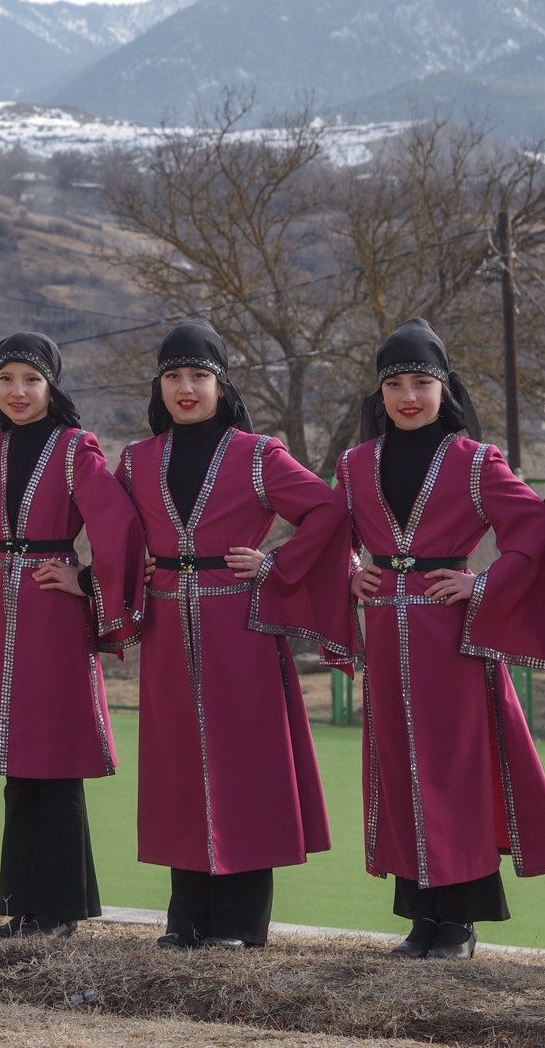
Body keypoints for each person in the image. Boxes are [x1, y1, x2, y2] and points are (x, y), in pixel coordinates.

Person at [336, 320, 545, 960]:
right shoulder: (355, 463)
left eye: (422, 382)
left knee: (458, 775)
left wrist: (481, 584)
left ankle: (461, 924)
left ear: (445, 388)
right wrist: (349, 573)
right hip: (387, 643)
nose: (408, 396)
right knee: (400, 772)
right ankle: (421, 921)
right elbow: (325, 538)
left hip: (457, 642)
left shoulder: (476, 462)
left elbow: (534, 530)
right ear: (380, 392)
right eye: (394, 384)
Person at [117, 321, 355, 950]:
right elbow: (113, 528)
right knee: (176, 768)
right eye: (173, 377)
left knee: (247, 768)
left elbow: (328, 509)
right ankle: (185, 919)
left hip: (242, 630)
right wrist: (118, 569)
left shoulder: (258, 453)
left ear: (221, 383)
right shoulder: (138, 459)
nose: (186, 388)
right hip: (168, 630)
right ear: (159, 386)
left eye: (199, 376)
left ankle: (241, 925)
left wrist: (275, 564)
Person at [0, 331, 145, 939]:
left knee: (57, 758)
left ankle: (61, 909)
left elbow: (117, 519)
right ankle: (23, 907)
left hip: (53, 608)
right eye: (7, 380)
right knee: (20, 762)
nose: (18, 392)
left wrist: (90, 580)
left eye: (32, 380)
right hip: (4, 614)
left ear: (52, 386)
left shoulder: (77, 447)